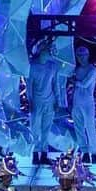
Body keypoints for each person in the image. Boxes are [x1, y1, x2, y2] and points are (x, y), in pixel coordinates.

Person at [29, 38, 64, 166]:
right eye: (45, 49)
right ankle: (35, 154)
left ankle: (44, 154)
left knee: (46, 128)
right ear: (40, 50)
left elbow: (56, 85)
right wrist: (30, 101)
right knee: (35, 129)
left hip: (49, 102)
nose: (48, 51)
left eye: (48, 49)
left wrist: (58, 101)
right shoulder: (33, 66)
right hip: (37, 102)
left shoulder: (53, 66)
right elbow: (29, 86)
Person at [70, 46, 96, 163]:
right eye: (79, 56)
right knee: (79, 129)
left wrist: (73, 81)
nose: (81, 58)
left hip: (87, 103)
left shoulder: (92, 69)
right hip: (77, 102)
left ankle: (94, 153)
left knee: (90, 128)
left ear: (88, 56)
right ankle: (85, 152)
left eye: (84, 55)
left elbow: (84, 83)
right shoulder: (76, 70)